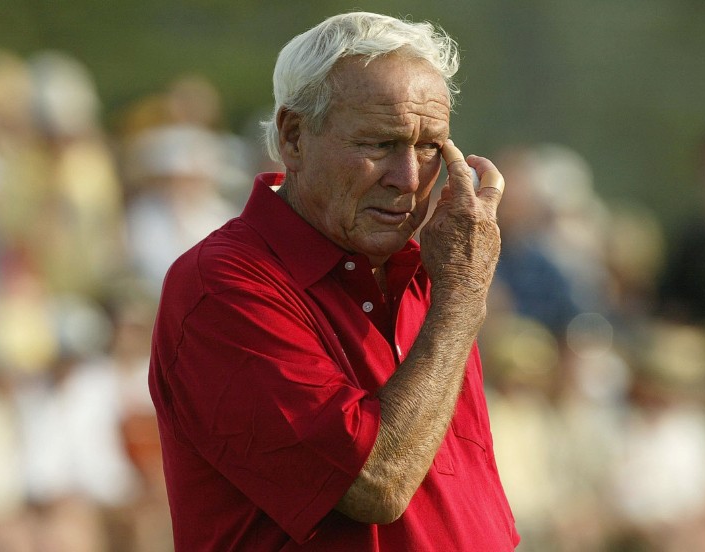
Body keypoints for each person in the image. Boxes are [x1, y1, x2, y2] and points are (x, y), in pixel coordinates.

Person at [148, 12, 519, 551]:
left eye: (428, 146)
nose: (408, 178)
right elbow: (375, 483)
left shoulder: (431, 270)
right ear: (293, 138)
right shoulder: (223, 284)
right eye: (377, 144)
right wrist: (461, 302)